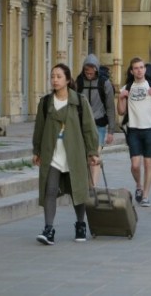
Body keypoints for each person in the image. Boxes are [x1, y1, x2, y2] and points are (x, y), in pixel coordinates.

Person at [32, 63, 100, 245]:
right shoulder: (45, 102)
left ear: (68, 80)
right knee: (50, 190)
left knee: (78, 190)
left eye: (59, 76)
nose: (55, 79)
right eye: (52, 76)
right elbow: (39, 128)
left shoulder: (79, 101)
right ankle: (48, 230)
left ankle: (80, 225)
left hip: (74, 152)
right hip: (52, 153)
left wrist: (93, 151)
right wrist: (36, 150)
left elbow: (89, 129)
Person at [118, 58, 151, 207]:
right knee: (135, 165)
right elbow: (121, 112)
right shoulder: (126, 88)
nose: (139, 70)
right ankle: (138, 185)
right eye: (136, 68)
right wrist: (121, 98)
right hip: (133, 129)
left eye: (141, 67)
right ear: (132, 71)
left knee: (148, 164)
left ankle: (145, 196)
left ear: (145, 70)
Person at [75, 54, 116, 186]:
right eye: (86, 72)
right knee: (86, 157)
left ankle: (93, 187)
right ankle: (88, 184)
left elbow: (110, 107)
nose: (89, 75)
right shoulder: (79, 82)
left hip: (99, 124)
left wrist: (111, 130)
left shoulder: (105, 83)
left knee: (95, 156)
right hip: (82, 125)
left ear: (97, 70)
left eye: (91, 72)